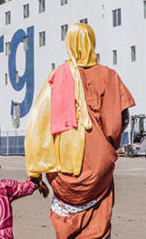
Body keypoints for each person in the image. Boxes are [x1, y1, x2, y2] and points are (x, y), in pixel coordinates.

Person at [25, 23, 136, 239]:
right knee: (98, 221)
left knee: (66, 223)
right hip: (98, 171)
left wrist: (36, 171)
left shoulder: (57, 77)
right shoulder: (108, 75)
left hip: (62, 173)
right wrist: (106, 148)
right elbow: (117, 124)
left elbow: (38, 124)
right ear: (92, 42)